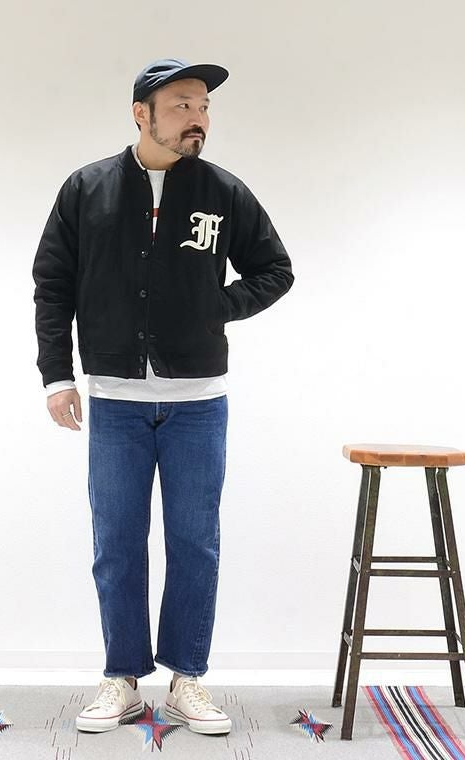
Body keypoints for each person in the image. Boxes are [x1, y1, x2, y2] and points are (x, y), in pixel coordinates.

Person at [32, 57, 294, 736]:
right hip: (115, 402)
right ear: (140, 113)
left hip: (198, 403)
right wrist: (57, 375)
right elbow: (53, 284)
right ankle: (122, 680)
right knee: (116, 543)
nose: (197, 118)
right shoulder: (87, 189)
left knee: (194, 544)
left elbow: (275, 269)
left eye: (203, 106)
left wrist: (216, 306)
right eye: (181, 105)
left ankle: (187, 680)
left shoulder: (223, 191)